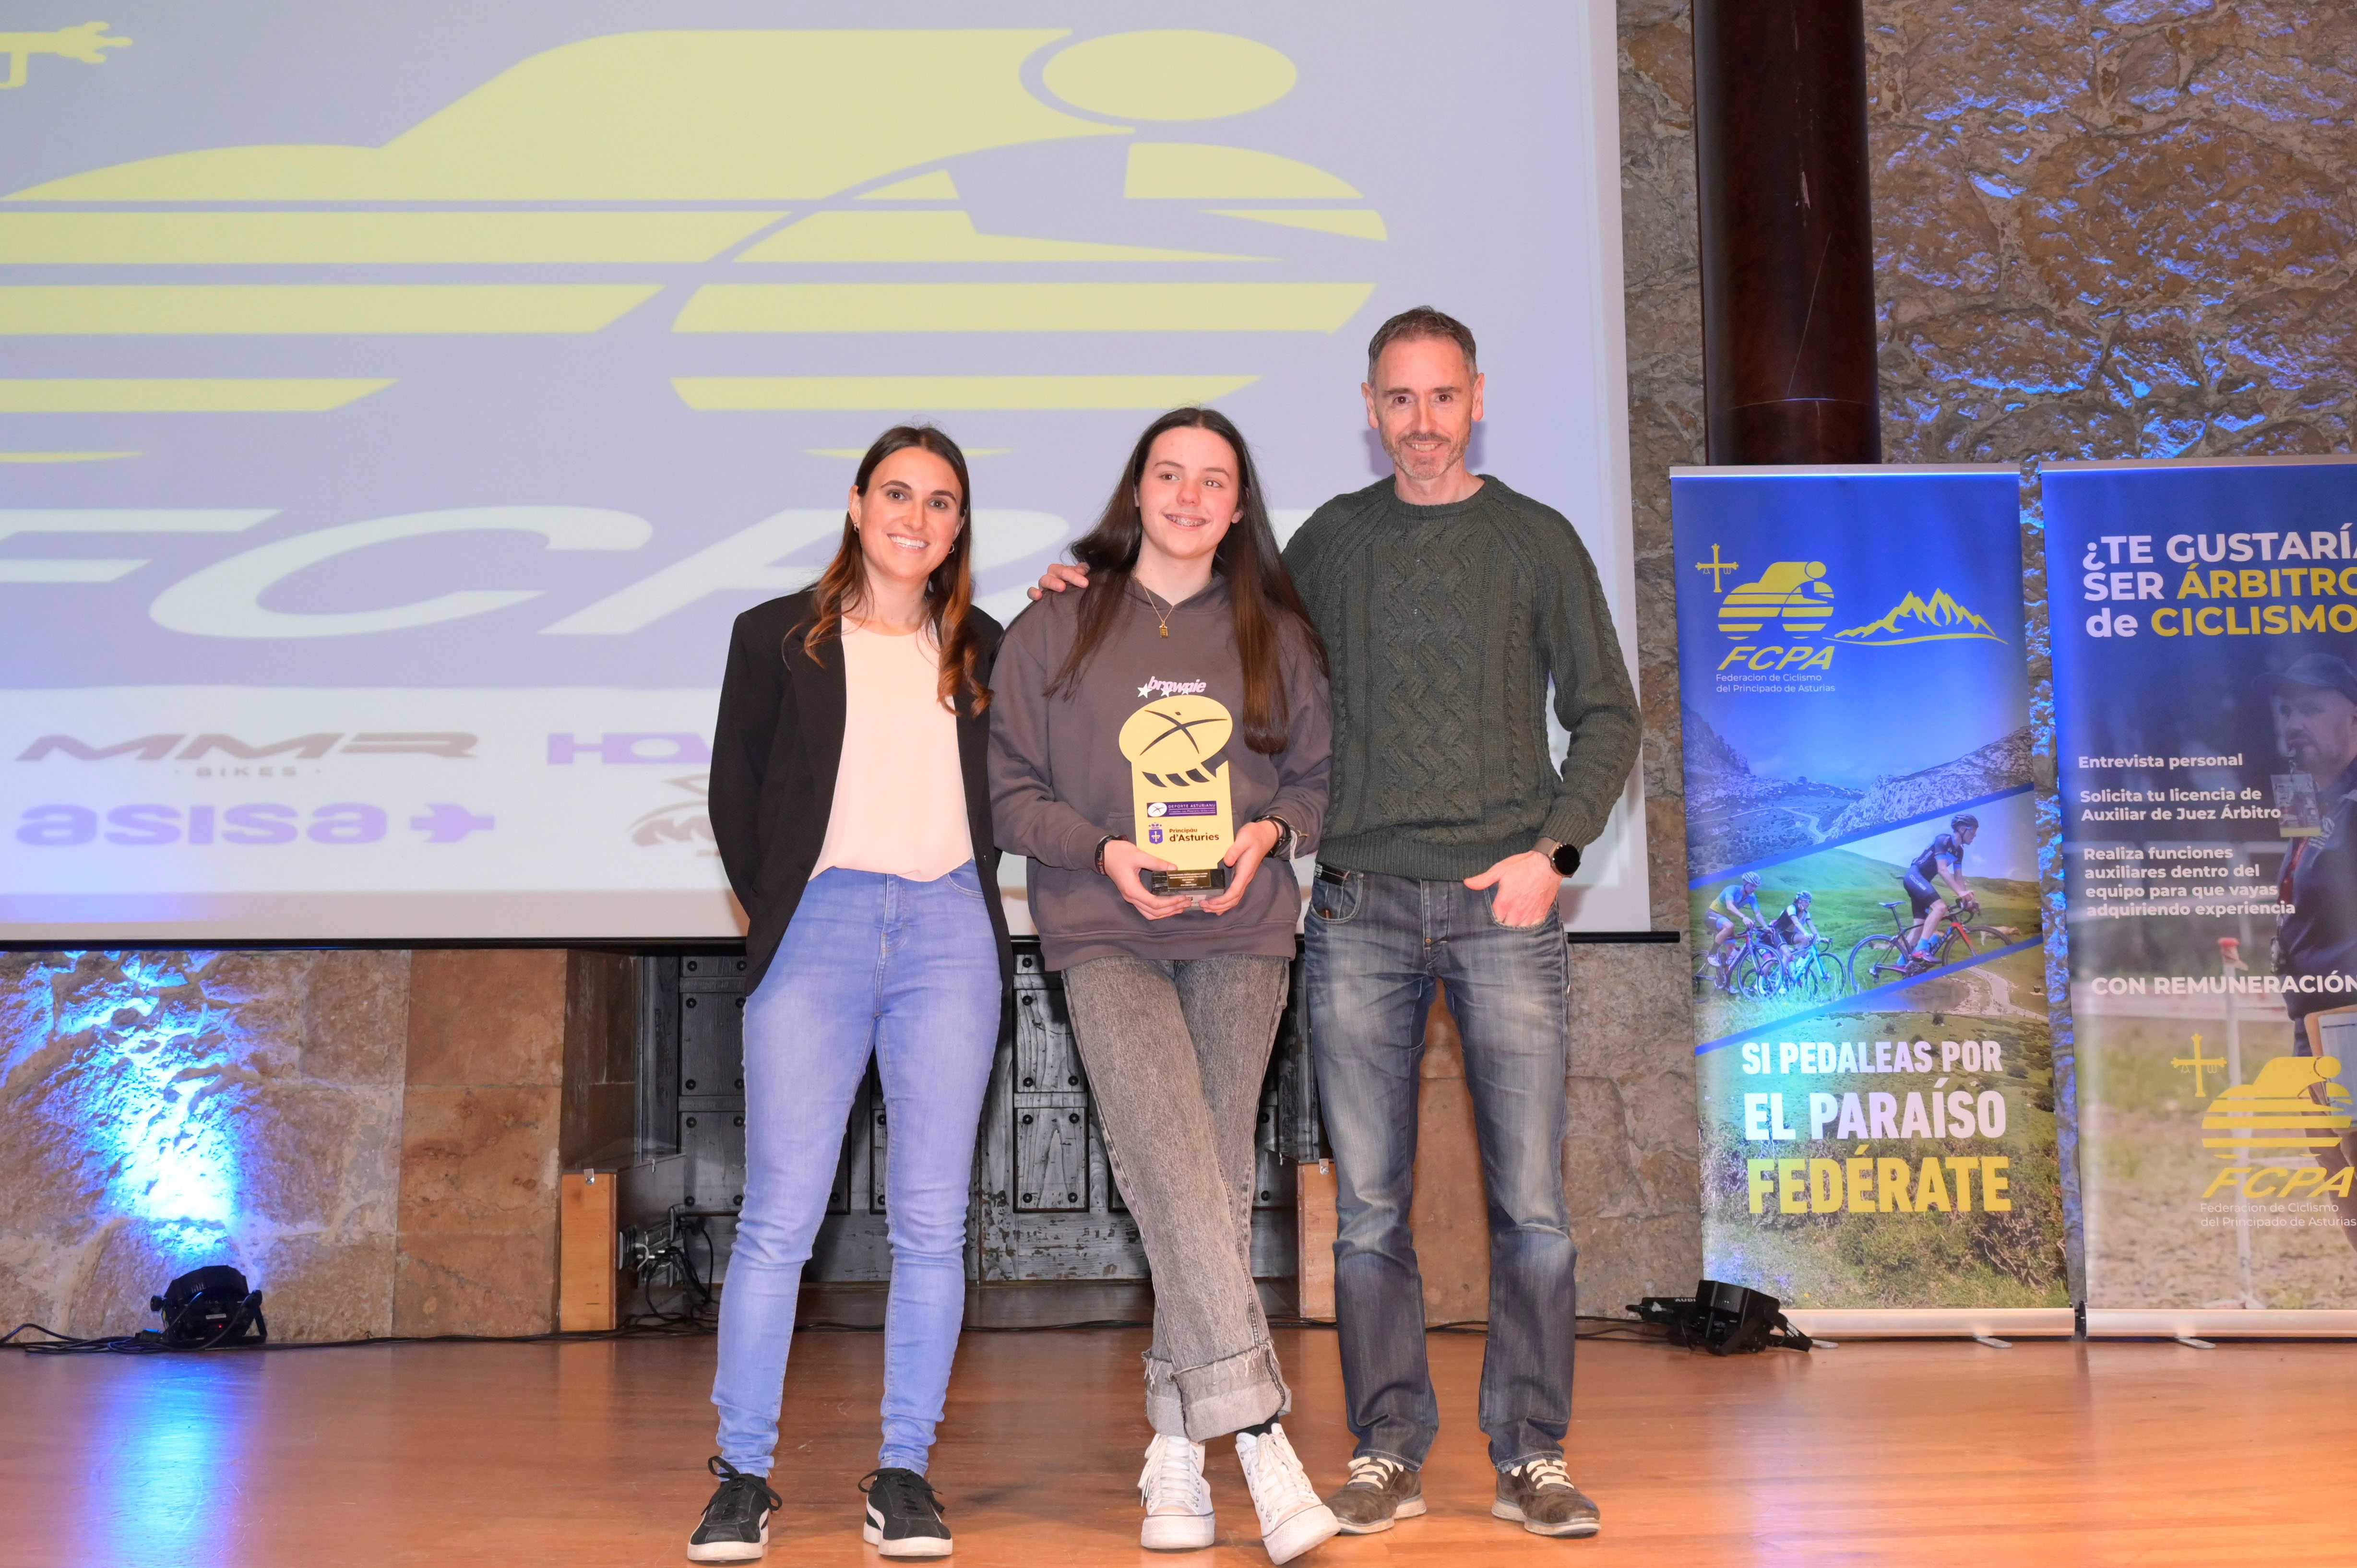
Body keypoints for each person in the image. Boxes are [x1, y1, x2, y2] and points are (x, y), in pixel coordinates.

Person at [1034, 308, 1640, 1541]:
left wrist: (1553, 849)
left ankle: (1531, 1450)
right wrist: (1082, 585)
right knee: (1367, 1210)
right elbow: (1201, 625)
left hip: (1499, 903)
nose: (1419, 422)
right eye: (1397, 399)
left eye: (1441, 396)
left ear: (1477, 398)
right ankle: (1383, 1447)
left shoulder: (1534, 539)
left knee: (1532, 1205)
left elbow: (1607, 712)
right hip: (1354, 902)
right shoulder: (1326, 543)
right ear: (1368, 407)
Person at [991, 407, 1339, 1563]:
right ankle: (1260, 1434)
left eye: (1213, 481)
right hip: (1105, 931)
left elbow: (1315, 778)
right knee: (1172, 1157)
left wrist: (1268, 835)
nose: (1189, 497)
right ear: (1135, 490)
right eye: (1168, 474)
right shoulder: (1053, 629)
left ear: (1237, 507)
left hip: (1241, 932)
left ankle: (1174, 1440)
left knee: (1206, 1175)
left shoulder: (1276, 634)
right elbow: (1009, 795)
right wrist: (1101, 852)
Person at [695, 427, 1011, 1563]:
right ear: (855, 502)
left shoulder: (986, 646)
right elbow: (736, 798)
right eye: (896, 493)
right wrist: (786, 908)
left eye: (939, 501)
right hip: (817, 930)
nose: (914, 517)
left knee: (931, 1217)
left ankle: (906, 1469)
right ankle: (741, 1471)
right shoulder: (774, 637)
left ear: (957, 525)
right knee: (778, 1216)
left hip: (946, 935)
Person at [2268, 653, 2357, 1250]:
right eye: (2288, 710)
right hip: (2313, 1019)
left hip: (2352, 1018)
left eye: (2311, 707)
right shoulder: (2306, 800)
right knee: (2342, 1178)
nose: (2294, 722)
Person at [1905, 813, 1978, 963]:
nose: (1975, 835)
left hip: (1922, 882)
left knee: (1918, 929)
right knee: (1940, 907)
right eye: (1973, 831)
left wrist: (1967, 899)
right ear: (1963, 829)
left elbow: (1958, 877)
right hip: (1915, 876)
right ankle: (1920, 950)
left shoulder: (1959, 852)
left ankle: (1901, 966)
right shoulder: (1943, 840)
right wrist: (1961, 893)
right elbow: (1942, 869)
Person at [1704, 871, 1767, 979]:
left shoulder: (1752, 897)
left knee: (1732, 953)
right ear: (1745, 882)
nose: (1754, 889)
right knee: (1730, 926)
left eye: (1756, 887)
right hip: (1712, 914)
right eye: (1752, 885)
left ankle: (1725, 983)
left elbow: (1757, 913)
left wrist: (1766, 927)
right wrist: (1744, 917)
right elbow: (1730, 906)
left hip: (1725, 920)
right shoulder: (1732, 889)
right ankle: (1712, 954)